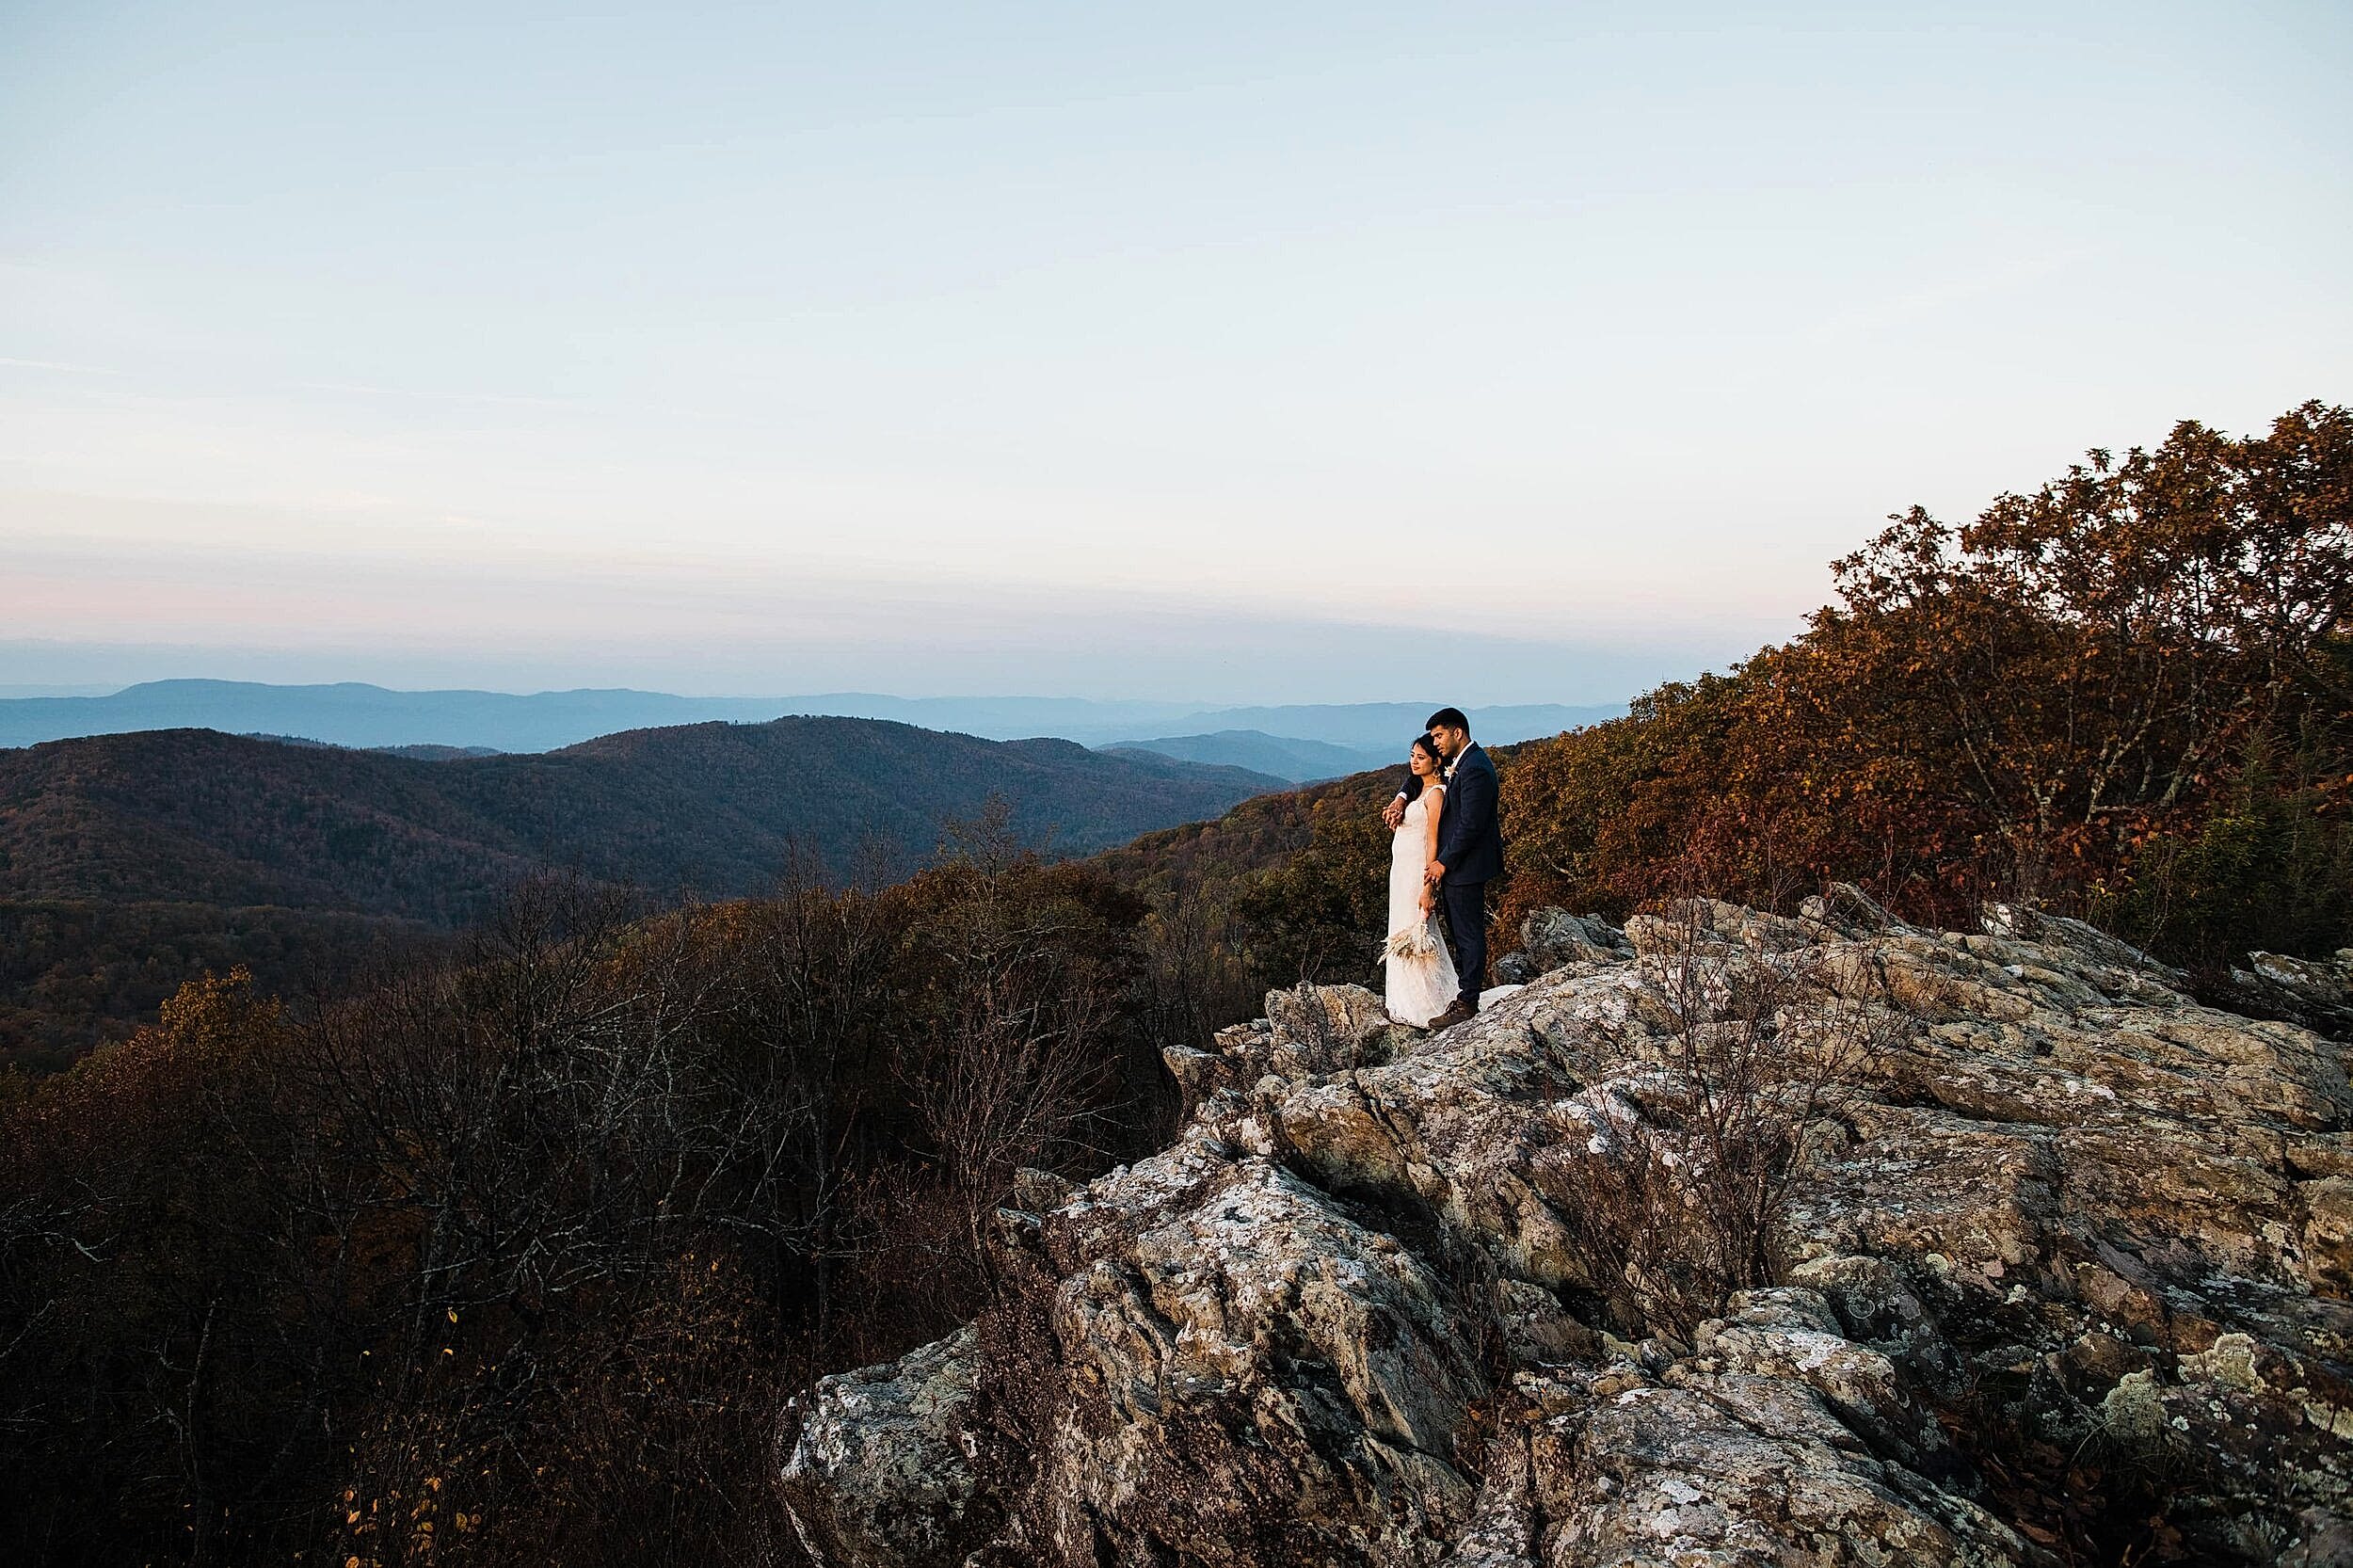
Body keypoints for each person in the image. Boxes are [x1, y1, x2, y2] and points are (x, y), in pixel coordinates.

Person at [1383, 707, 1502, 1029]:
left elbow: (1471, 826)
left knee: (1468, 934)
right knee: (1460, 932)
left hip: (1466, 866)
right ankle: (1463, 994)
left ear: (1457, 733)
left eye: (1438, 736)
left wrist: (1441, 863)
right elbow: (1417, 776)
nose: (1435, 744)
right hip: (1453, 868)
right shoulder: (1457, 764)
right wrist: (1400, 797)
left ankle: (1468, 1001)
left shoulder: (1475, 768)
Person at [1383, 733, 1460, 1026]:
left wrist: (1429, 887)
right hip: (1400, 872)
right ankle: (1402, 999)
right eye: (1412, 755)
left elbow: (1433, 842)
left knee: (1417, 933)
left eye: (1421, 757)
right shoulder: (1416, 788)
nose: (1413, 762)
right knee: (1401, 929)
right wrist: (1397, 808)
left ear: (1437, 762)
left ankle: (1427, 1002)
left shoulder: (1436, 794)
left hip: (1416, 873)